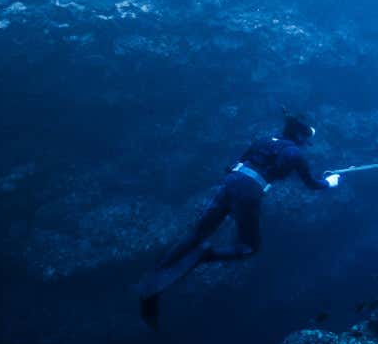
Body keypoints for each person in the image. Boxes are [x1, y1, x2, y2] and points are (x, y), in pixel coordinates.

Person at [137, 111, 339, 328]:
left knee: (196, 233)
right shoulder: (295, 154)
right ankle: (206, 255)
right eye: (308, 138)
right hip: (248, 192)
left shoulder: (264, 139)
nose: (308, 143)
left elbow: (240, 162)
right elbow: (311, 184)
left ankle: (153, 283)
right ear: (300, 136)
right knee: (250, 247)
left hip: (231, 182)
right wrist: (330, 182)